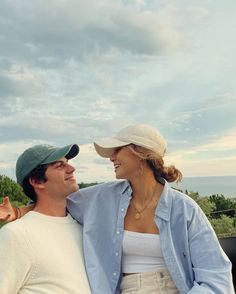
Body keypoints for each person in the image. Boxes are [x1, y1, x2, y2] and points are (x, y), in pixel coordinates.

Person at [0, 124, 234, 294]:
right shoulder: (102, 198)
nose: (111, 157)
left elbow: (217, 276)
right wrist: (21, 212)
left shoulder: (184, 209)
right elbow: (54, 203)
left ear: (141, 153)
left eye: (117, 149)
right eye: (60, 165)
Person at [0, 144, 91, 293]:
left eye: (67, 163)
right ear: (37, 181)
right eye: (59, 166)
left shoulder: (83, 227)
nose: (71, 169)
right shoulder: (16, 235)